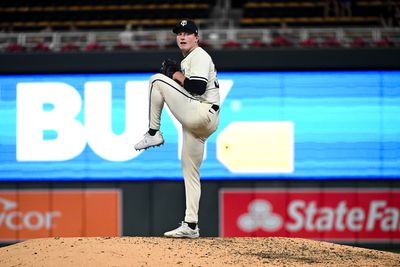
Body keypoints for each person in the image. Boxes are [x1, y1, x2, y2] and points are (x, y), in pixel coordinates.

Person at [134, 19, 220, 238]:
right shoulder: (190, 58)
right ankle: (191, 225)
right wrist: (178, 74)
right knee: (190, 172)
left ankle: (153, 133)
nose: (182, 37)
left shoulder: (199, 55)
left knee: (156, 80)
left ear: (196, 38)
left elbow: (198, 87)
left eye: (187, 33)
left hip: (201, 112)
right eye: (179, 33)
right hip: (201, 122)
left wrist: (175, 75)